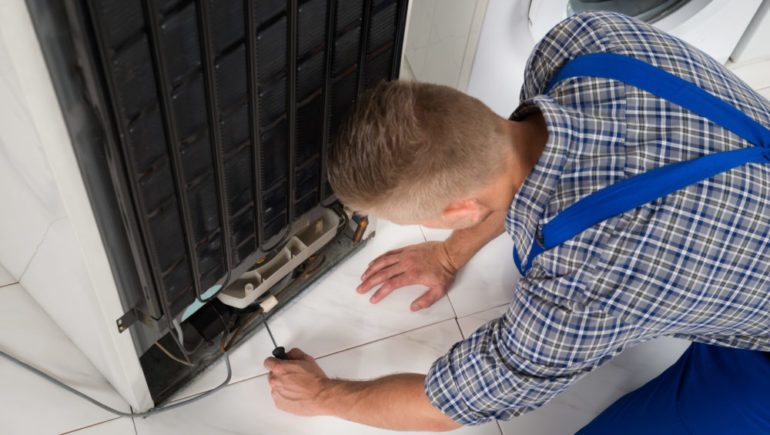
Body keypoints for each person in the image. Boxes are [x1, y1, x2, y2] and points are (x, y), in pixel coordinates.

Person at [263, 11, 770, 433]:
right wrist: (446, 253)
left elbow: (445, 407)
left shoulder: (582, 284)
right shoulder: (583, 43)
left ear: (458, 210)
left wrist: (323, 395)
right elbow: (502, 167)